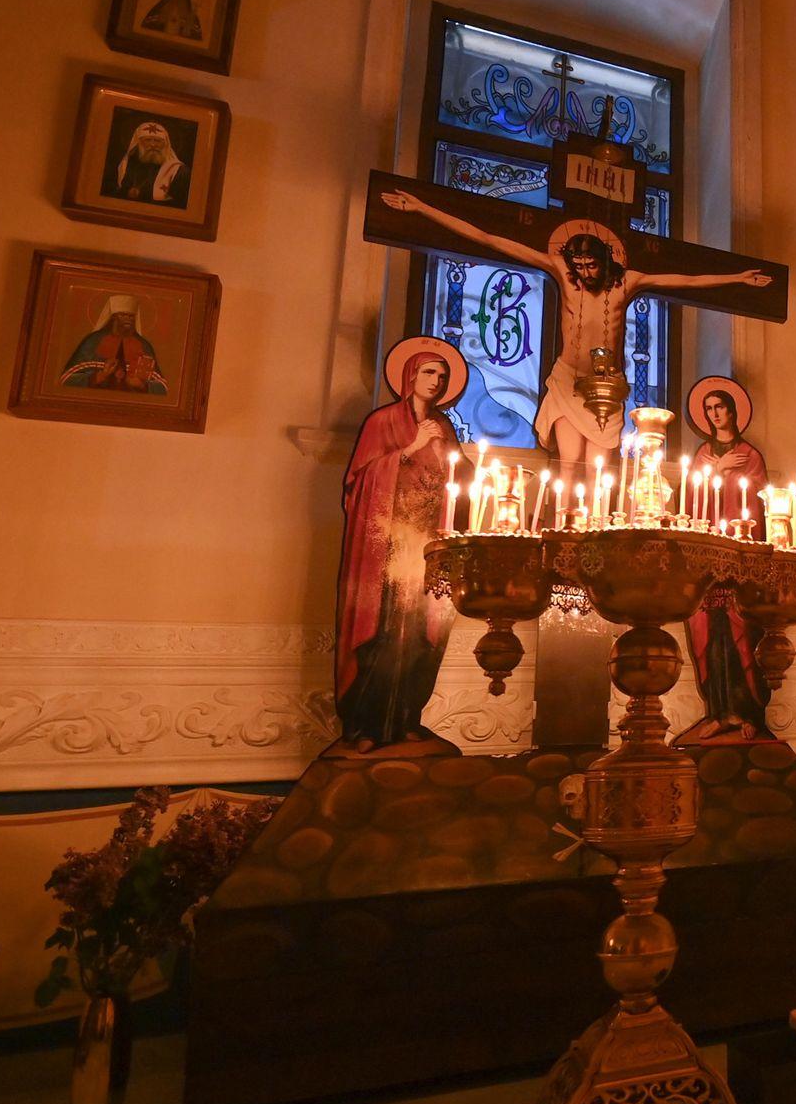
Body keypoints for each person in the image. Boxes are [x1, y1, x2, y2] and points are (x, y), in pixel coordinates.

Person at [379, 193, 772, 475]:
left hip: (609, 386)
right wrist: (421, 207)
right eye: (579, 265)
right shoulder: (564, 276)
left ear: (605, 262)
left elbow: (685, 279)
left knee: (603, 467)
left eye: (591, 266)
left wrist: (737, 276)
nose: (585, 273)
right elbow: (491, 239)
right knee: (569, 464)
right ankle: (563, 531)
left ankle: (597, 538)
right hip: (569, 380)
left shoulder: (627, 282)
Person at [331, 347, 463, 753]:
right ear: (409, 375)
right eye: (428, 372)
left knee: (423, 634)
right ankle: (366, 726)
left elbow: (460, 481)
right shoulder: (382, 421)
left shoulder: (444, 425)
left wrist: (444, 454)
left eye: (441, 376)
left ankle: (407, 718)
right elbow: (360, 480)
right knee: (385, 632)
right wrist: (409, 448)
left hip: (427, 545)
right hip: (386, 547)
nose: (435, 381)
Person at [682, 380, 769, 742]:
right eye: (709, 409)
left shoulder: (751, 456)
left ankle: (748, 712)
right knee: (712, 634)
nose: (715, 414)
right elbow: (691, 499)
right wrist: (717, 469)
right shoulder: (704, 456)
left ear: (733, 411)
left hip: (740, 554)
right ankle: (719, 713)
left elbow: (760, 503)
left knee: (743, 633)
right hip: (708, 556)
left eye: (720, 407)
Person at [60, 295, 165, 393]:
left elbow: (163, 388)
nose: (128, 319)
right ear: (114, 317)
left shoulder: (144, 345)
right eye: (123, 315)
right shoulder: (92, 341)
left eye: (131, 316)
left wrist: (142, 386)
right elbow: (66, 380)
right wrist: (98, 377)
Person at [106, 120, 189, 205]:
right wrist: (126, 192)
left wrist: (142, 194)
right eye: (148, 140)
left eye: (157, 141)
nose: (153, 144)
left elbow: (179, 202)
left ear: (165, 144)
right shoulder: (125, 165)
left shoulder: (177, 170)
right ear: (138, 143)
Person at [139, 0, 204, 39]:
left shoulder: (192, 17)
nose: (177, 0)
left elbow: (195, 38)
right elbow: (146, 30)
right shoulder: (157, 11)